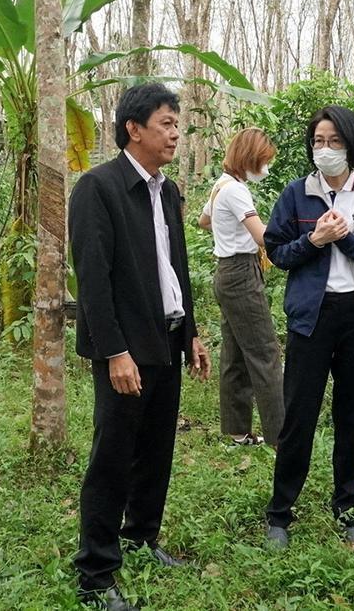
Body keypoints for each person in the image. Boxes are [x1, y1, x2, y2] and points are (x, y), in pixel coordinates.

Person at [69, 83, 212, 611]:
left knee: (156, 450)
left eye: (178, 124)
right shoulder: (97, 189)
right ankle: (96, 573)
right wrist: (114, 352)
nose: (176, 133)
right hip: (126, 348)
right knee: (113, 456)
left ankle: (141, 537)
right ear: (134, 128)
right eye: (166, 124)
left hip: (167, 338)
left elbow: (176, 267)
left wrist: (192, 331)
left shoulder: (166, 190)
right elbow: (93, 279)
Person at [263, 105, 354, 549]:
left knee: (351, 416)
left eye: (334, 142)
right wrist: (314, 240)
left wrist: (348, 239)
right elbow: (277, 252)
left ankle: (347, 508)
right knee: (299, 416)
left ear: (352, 145)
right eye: (318, 142)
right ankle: (280, 514)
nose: (324, 150)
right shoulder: (296, 194)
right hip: (312, 317)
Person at [198, 127, 285, 447]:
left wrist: (227, 231)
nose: (266, 168)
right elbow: (263, 237)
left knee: (235, 354)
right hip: (241, 274)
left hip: (226, 272)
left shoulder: (221, 185)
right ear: (250, 158)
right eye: (263, 161)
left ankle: (237, 430)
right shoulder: (236, 190)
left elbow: (203, 221)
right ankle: (281, 437)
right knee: (265, 353)